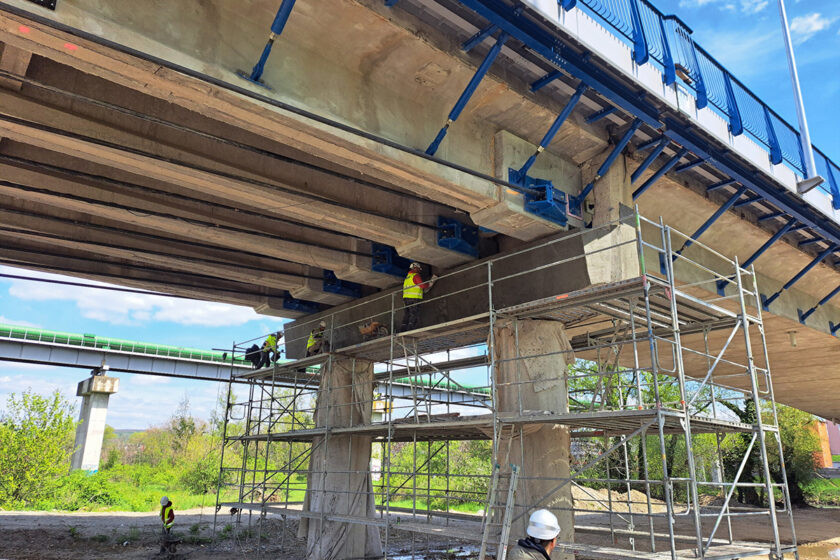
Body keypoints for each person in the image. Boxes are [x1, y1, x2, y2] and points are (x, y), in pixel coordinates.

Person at [400, 262, 437, 333]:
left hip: (406, 299)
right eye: (419, 269)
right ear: (415, 268)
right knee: (414, 314)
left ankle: (403, 329)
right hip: (414, 298)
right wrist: (429, 284)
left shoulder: (407, 278)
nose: (420, 270)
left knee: (407, 315)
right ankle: (410, 330)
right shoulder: (415, 276)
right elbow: (422, 286)